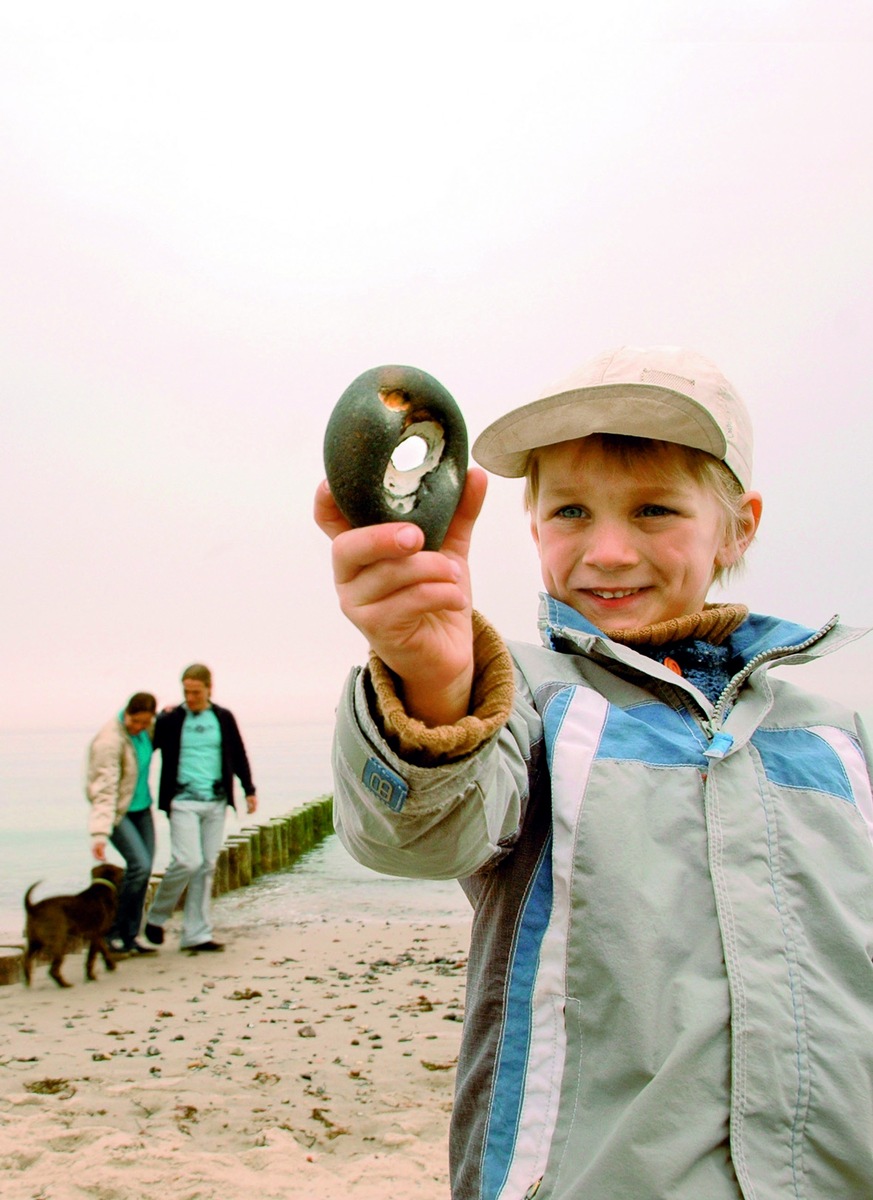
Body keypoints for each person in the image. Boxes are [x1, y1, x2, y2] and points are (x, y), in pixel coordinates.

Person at [315, 345, 873, 1200]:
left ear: (738, 525)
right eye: (571, 511)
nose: (608, 552)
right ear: (532, 525)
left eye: (653, 510)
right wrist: (429, 679)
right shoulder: (528, 704)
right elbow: (420, 833)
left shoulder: (837, 740)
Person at [144, 663, 257, 952]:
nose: (190, 697)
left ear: (209, 689)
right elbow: (145, 746)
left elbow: (238, 752)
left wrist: (249, 789)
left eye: (196, 692)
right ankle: (156, 916)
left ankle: (196, 934)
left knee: (205, 866)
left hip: (215, 802)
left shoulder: (222, 717)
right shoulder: (171, 719)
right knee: (186, 861)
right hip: (182, 801)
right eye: (186, 692)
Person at [86, 691, 159, 956]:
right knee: (139, 865)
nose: (138, 727)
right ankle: (112, 933)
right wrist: (99, 833)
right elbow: (103, 790)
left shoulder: (147, 729)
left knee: (144, 869)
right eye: (135, 722)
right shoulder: (109, 741)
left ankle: (130, 936)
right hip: (118, 812)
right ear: (126, 713)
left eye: (144, 723)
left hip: (142, 809)